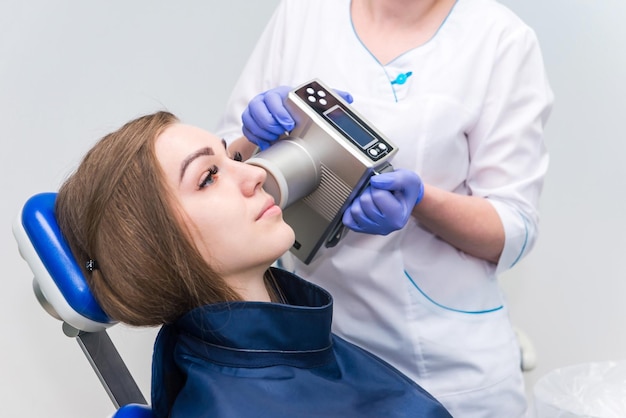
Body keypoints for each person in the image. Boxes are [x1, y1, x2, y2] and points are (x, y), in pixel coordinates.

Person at [215, 0, 554, 416]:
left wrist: (421, 202)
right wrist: (252, 135)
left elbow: (514, 226)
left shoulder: (501, 39)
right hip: (323, 349)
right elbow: (224, 166)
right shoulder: (303, 13)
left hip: (447, 370)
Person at [55, 111, 452, 418]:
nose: (255, 173)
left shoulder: (289, 342)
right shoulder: (235, 404)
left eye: (232, 157)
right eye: (209, 176)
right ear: (154, 245)